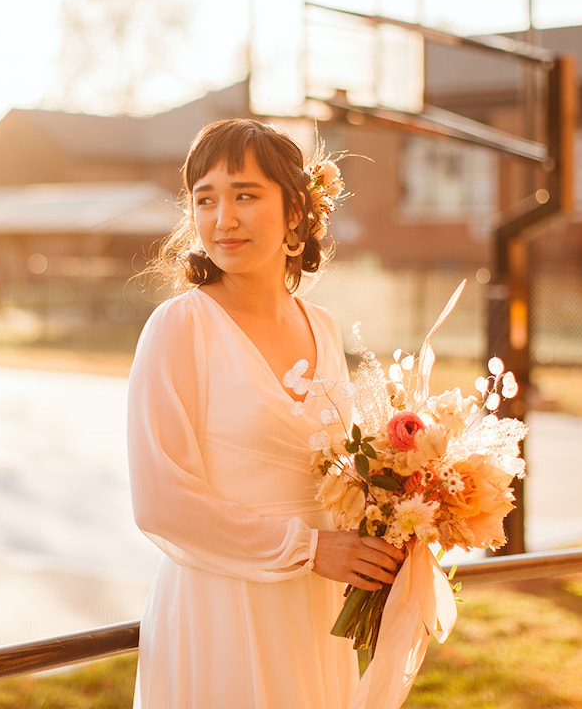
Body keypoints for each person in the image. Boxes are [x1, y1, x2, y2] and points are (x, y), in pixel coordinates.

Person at [127, 118, 405, 709]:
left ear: (296, 212)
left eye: (245, 195)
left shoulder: (323, 327)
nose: (222, 219)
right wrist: (308, 549)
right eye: (206, 199)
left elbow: (335, 475)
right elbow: (160, 500)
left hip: (315, 609)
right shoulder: (180, 327)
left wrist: (397, 519)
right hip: (221, 603)